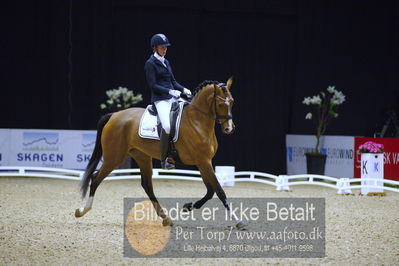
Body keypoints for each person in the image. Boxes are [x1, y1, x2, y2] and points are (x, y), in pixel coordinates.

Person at [144, 33, 191, 169]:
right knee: (167, 126)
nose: (165, 50)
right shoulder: (150, 63)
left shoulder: (166, 61)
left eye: (166, 47)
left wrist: (183, 89)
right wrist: (169, 91)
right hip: (160, 99)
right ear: (155, 48)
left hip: (173, 96)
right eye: (162, 47)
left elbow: (173, 81)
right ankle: (164, 159)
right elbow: (153, 85)